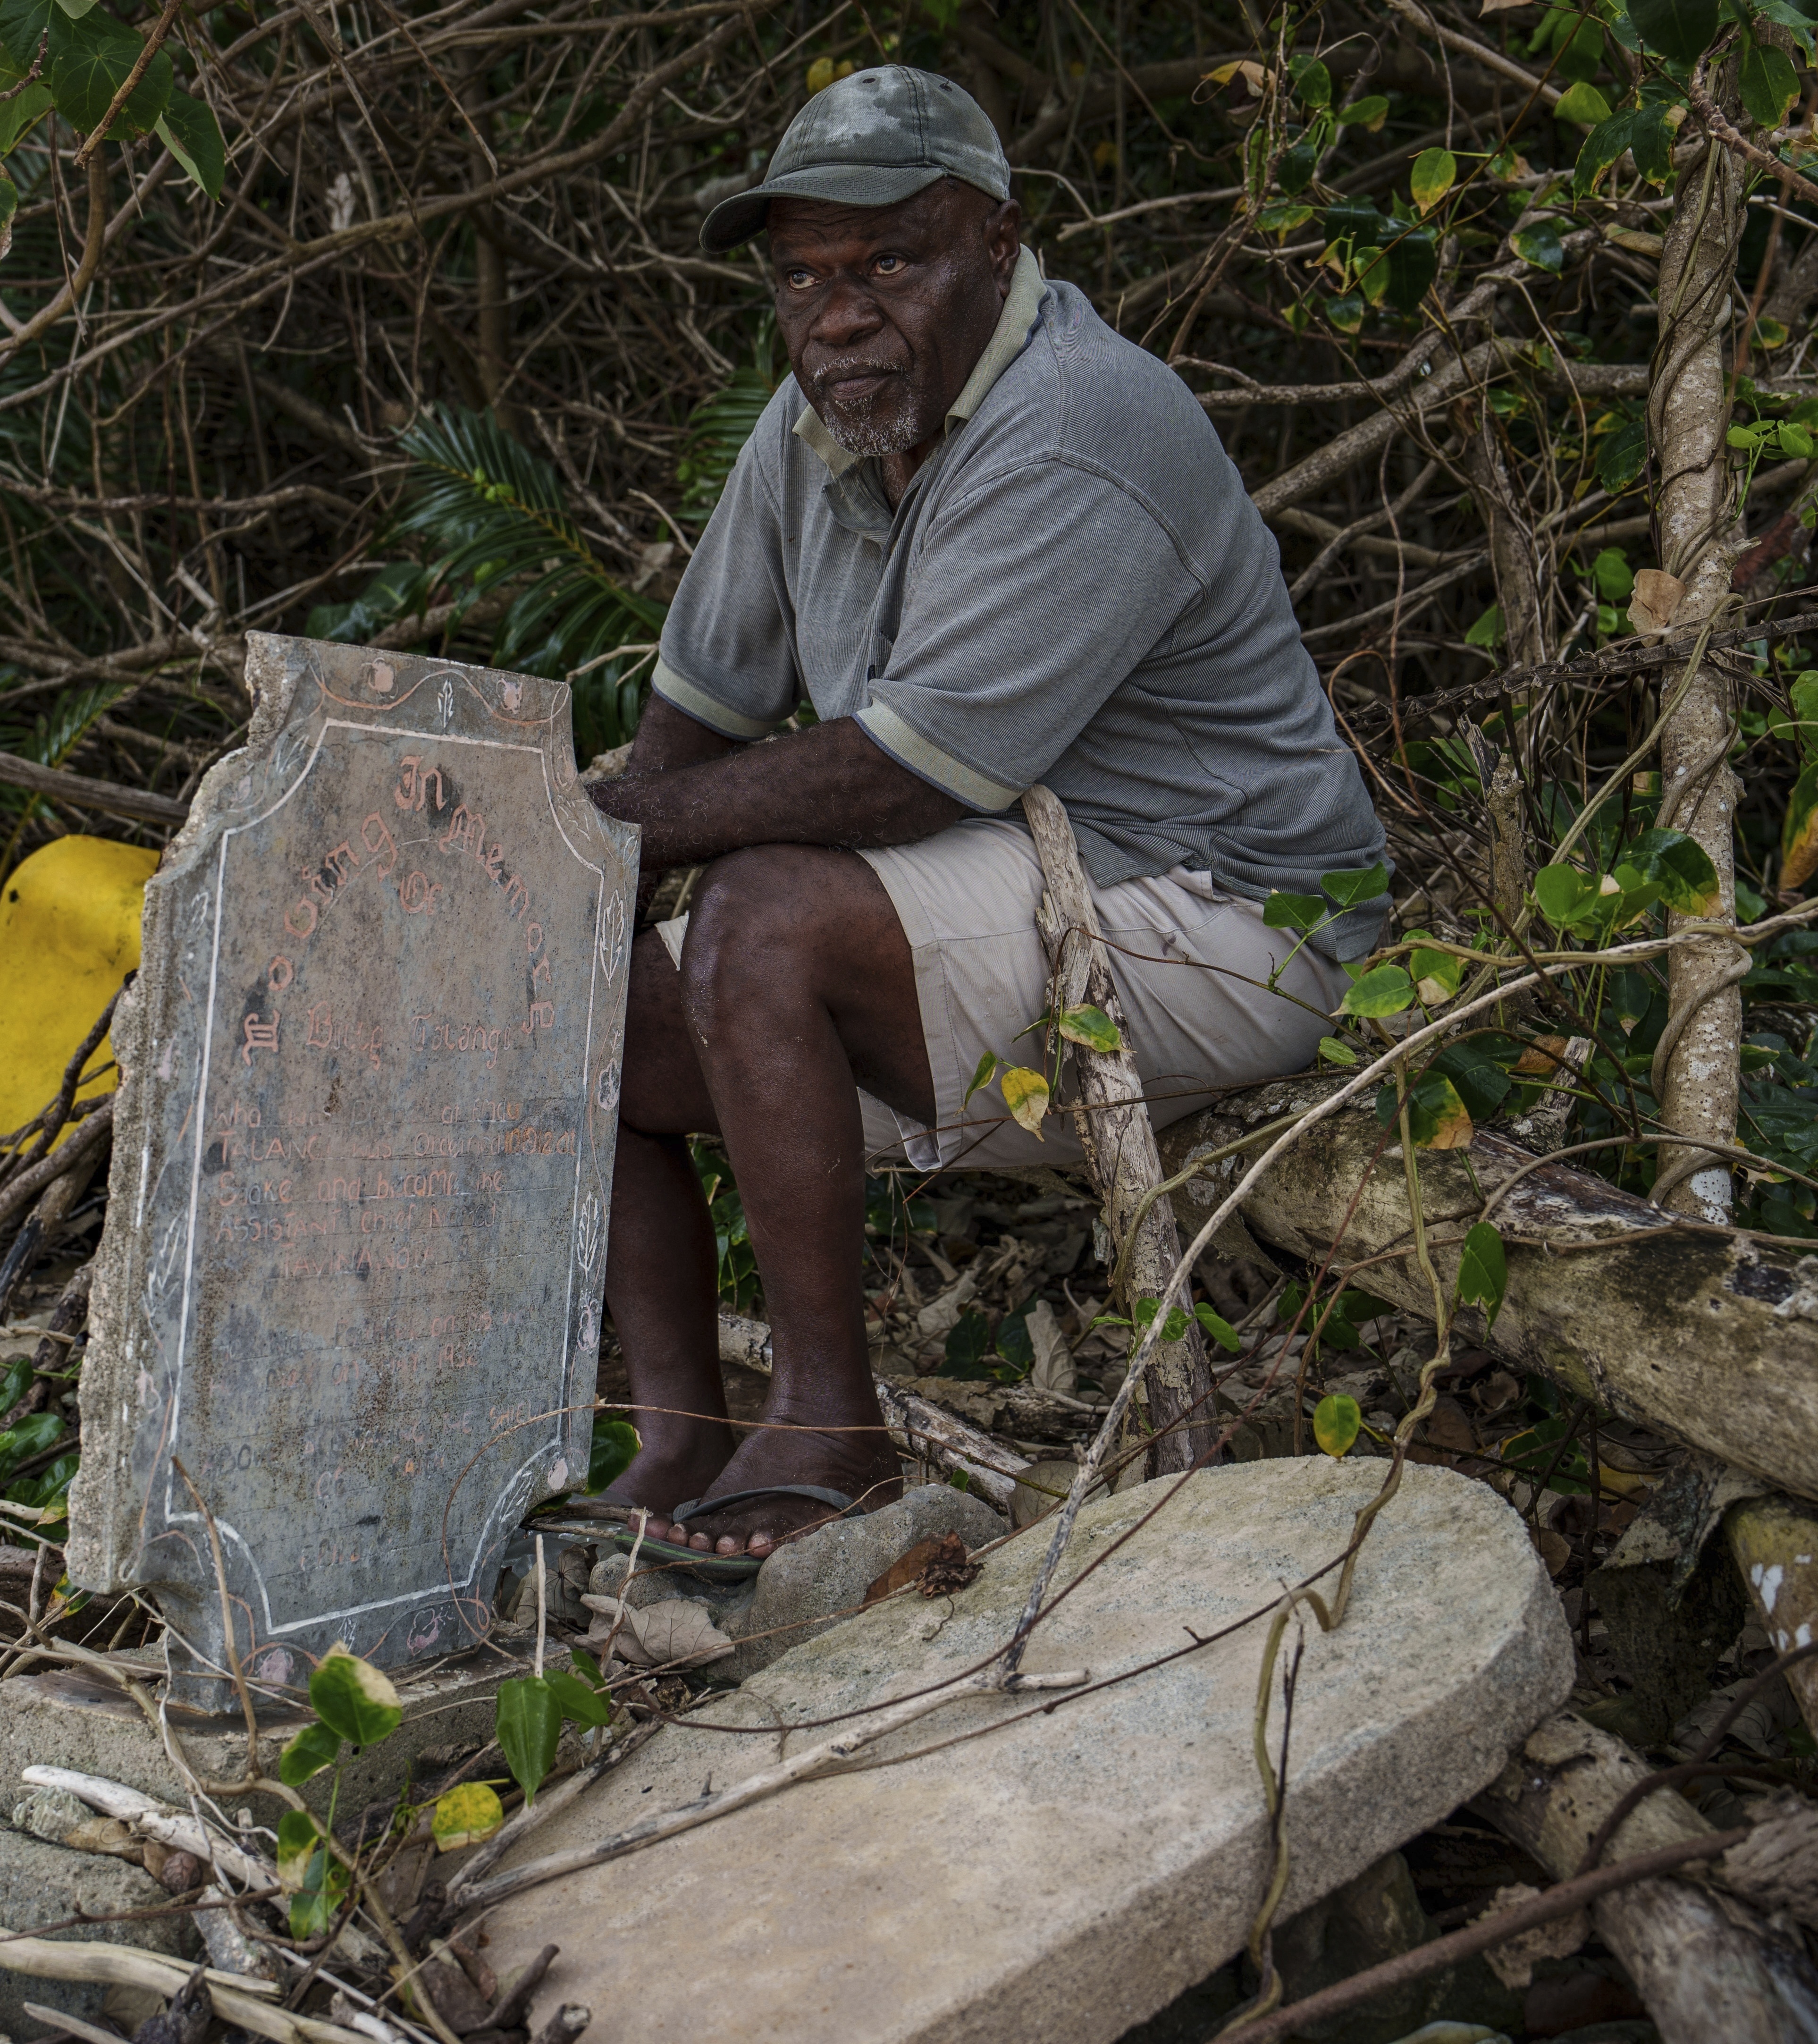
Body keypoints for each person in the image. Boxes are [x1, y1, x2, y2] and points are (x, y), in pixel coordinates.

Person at [575, 66, 1389, 1568]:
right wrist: (590, 903)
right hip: (1030, 892)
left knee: (761, 911)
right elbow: (704, 695)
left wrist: (616, 830)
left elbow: (907, 773)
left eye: (892, 260)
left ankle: (831, 1431)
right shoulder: (815, 424)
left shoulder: (1079, 420)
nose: (840, 311)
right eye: (806, 272)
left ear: (1001, 245)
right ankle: (682, 1432)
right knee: (586, 1009)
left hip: (1234, 918)